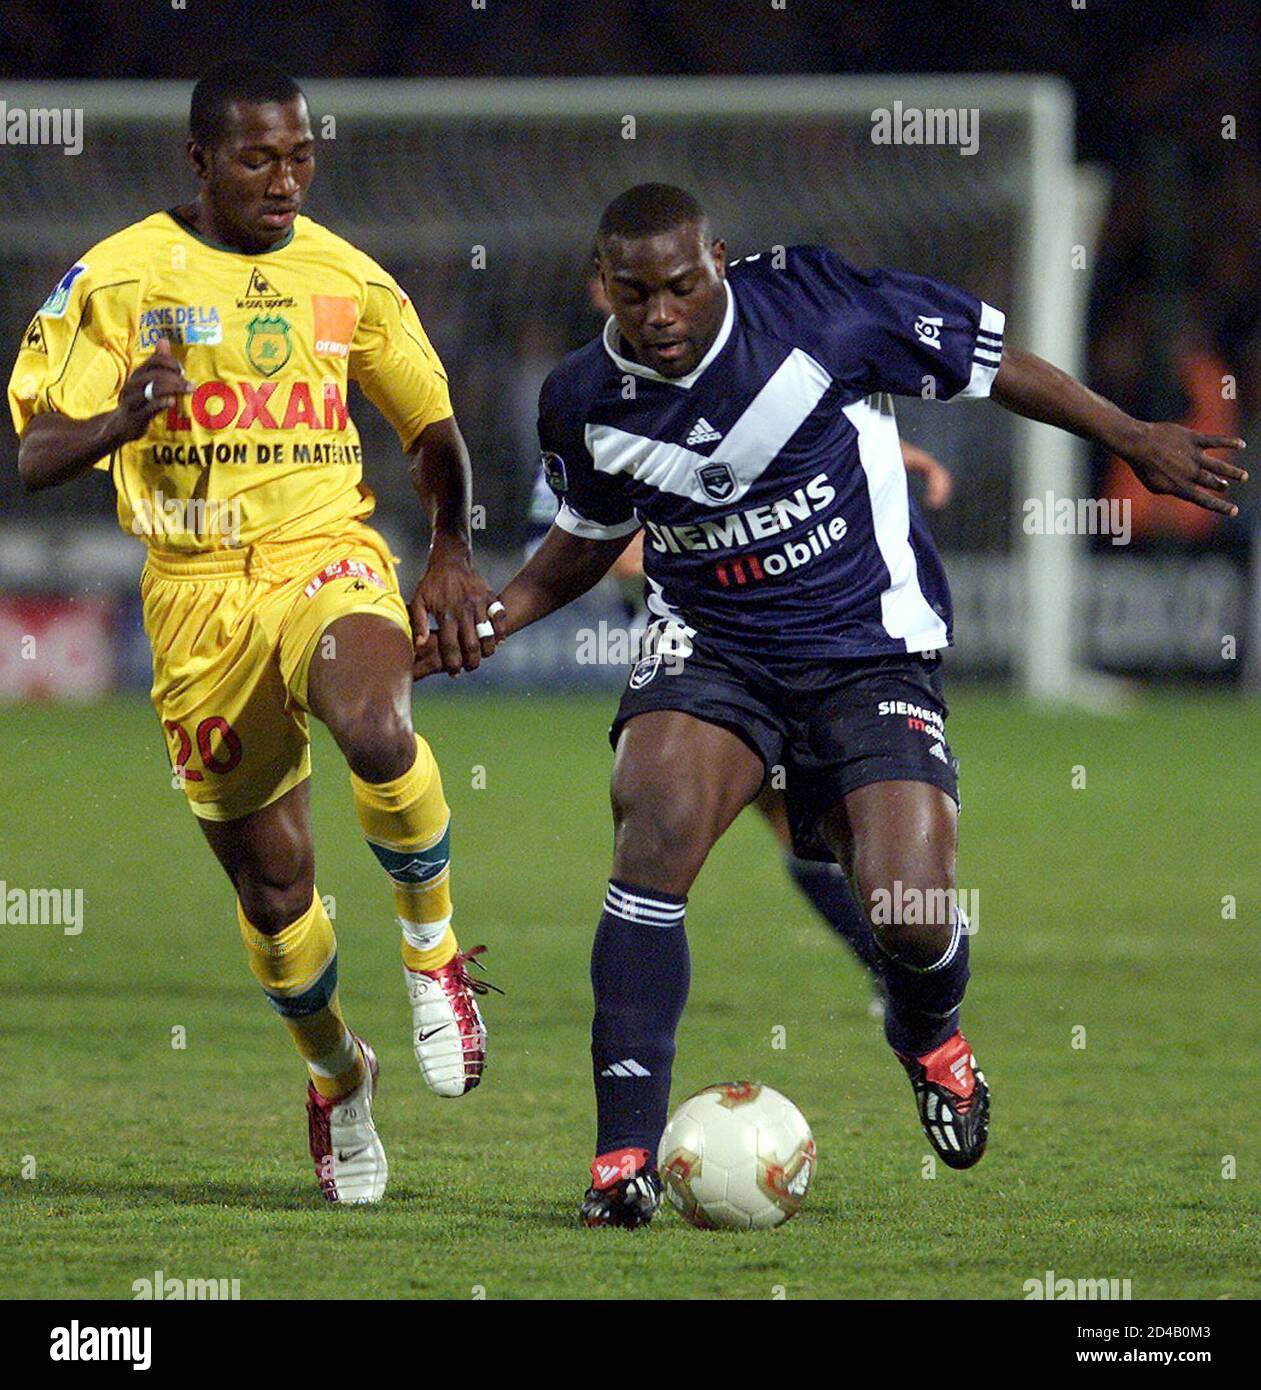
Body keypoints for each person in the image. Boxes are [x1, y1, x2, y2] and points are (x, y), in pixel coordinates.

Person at [430, 182, 1245, 1228]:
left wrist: (1131, 432)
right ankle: (619, 1159)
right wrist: (490, 620)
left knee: (907, 910)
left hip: (869, 650)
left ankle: (929, 1034)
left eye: (681, 285)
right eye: (636, 294)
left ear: (717, 260)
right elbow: (582, 547)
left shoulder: (820, 304)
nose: (662, 313)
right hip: (711, 648)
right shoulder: (582, 397)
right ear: (603, 284)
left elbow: (991, 367)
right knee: (653, 823)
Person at [8, 60, 506, 1205]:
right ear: (199, 160)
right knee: (277, 892)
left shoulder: (343, 274)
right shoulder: (119, 278)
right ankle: (339, 1076)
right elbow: (34, 453)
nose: (286, 180)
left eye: (300, 155)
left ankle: (433, 956)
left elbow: (429, 424)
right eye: (257, 159)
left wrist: (449, 549)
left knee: (379, 726)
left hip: (321, 551)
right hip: (193, 595)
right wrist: (123, 417)